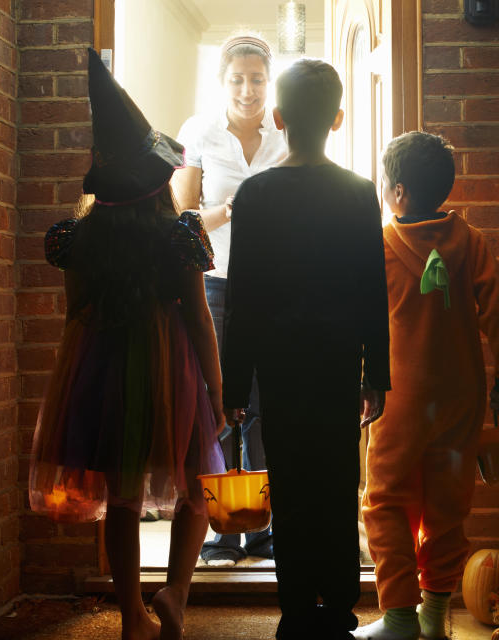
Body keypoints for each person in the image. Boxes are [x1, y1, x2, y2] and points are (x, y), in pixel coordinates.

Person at [28, 49, 226, 640]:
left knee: (121, 497)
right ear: (158, 177)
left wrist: (76, 383)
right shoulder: (181, 233)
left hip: (102, 363)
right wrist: (217, 387)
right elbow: (198, 317)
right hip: (171, 367)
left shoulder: (75, 238)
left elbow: (73, 314)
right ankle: (178, 593)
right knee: (196, 488)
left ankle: (132, 615)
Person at [222, 58, 390, 639]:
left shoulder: (256, 194)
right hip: (339, 361)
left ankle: (295, 610)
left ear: (277, 117)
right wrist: (378, 374)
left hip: (281, 365)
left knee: (290, 482)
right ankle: (340, 606)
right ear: (338, 119)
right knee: (338, 484)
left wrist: (233, 385)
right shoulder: (359, 192)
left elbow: (241, 296)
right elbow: (375, 289)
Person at [353, 132, 499, 640]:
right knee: (447, 506)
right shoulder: (470, 241)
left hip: (399, 397)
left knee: (386, 500)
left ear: (399, 192)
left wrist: (361, 380)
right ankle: (434, 613)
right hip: (462, 397)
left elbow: (362, 322)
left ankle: (401, 617)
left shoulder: (380, 245)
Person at [170, 33, 287, 564]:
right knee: (217, 401)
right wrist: (235, 209)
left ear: (270, 81)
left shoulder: (285, 134)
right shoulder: (198, 132)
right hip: (213, 284)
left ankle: (260, 524)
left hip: (274, 284)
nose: (248, 90)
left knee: (263, 404)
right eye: (237, 79)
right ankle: (222, 528)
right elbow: (183, 218)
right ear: (223, 82)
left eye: (257, 79)